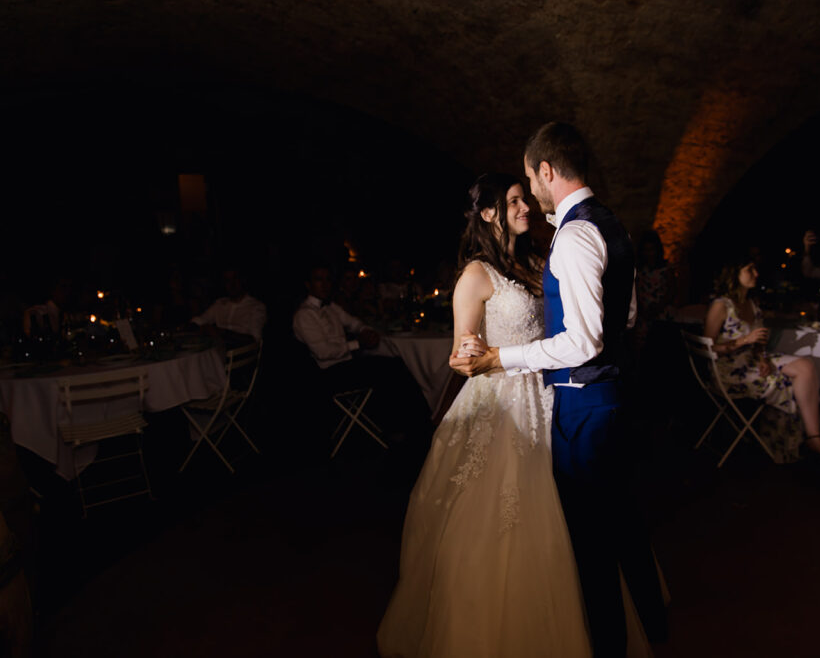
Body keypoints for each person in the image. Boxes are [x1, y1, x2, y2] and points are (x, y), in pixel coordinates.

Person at [451, 123, 667, 657]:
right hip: (592, 397)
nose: (528, 197)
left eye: (529, 181)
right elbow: (628, 314)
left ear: (546, 171)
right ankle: (654, 626)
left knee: (594, 541)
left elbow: (583, 341)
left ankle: (609, 644)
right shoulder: (611, 225)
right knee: (620, 522)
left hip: (580, 401)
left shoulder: (570, 237)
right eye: (515, 196)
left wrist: (505, 356)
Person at [377, 173, 592, 658]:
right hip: (499, 404)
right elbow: (461, 353)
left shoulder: (530, 261)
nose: (524, 208)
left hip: (543, 397)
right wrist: (465, 354)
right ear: (490, 213)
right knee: (497, 518)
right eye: (513, 201)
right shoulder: (475, 275)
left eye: (524, 199)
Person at [705, 256, 820, 462]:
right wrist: (744, 340)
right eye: (750, 269)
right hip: (729, 372)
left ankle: (813, 437)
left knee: (806, 366)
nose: (756, 274)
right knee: (790, 383)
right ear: (734, 274)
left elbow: (759, 343)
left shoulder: (752, 303)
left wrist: (763, 358)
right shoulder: (721, 305)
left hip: (753, 362)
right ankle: (789, 443)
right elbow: (709, 347)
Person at [293, 263, 428, 439]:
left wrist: (365, 330)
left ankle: (410, 422)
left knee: (395, 362)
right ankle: (412, 425)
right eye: (319, 280)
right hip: (328, 375)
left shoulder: (330, 306)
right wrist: (358, 344)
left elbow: (353, 322)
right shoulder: (304, 315)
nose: (325, 284)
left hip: (346, 365)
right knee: (391, 370)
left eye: (327, 279)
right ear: (308, 285)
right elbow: (323, 352)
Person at [191, 268, 267, 342]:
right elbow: (200, 320)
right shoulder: (220, 304)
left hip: (240, 352)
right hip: (217, 348)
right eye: (228, 280)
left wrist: (223, 333)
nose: (232, 284)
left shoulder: (256, 307)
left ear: (242, 280)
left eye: (235, 278)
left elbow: (255, 340)